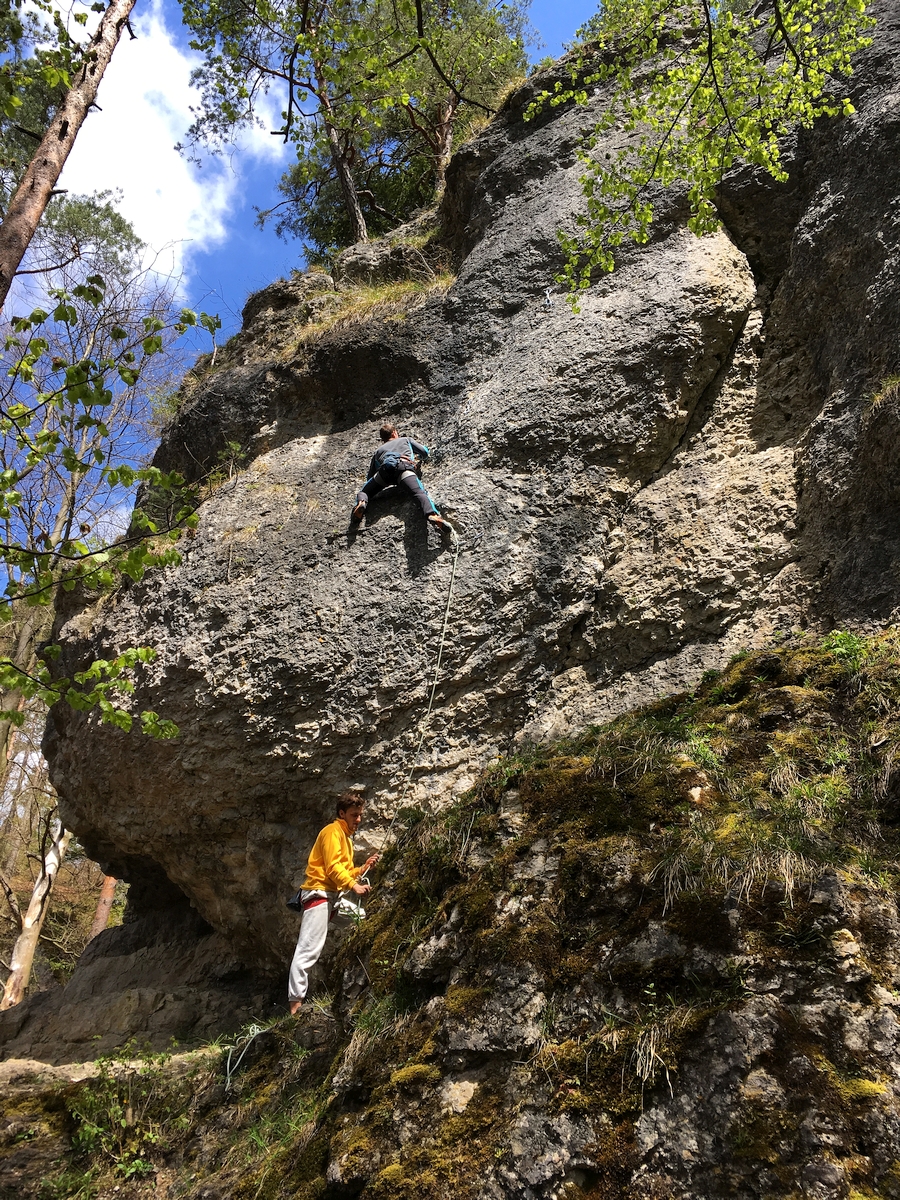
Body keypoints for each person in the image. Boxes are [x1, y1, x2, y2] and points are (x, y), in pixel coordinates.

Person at [287, 793, 379, 1015]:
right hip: (319, 896)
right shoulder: (331, 832)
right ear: (342, 814)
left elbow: (344, 871)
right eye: (354, 815)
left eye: (360, 815)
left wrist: (362, 868)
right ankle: (295, 1006)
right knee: (308, 950)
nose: (358, 820)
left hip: (332, 898)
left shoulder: (345, 838)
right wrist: (353, 885)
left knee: (363, 918)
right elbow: (332, 868)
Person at [351, 424, 453, 535]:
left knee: (364, 491)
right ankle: (432, 515)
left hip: (384, 473)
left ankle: (361, 503)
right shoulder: (405, 440)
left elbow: (370, 477)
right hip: (403, 469)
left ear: (383, 438)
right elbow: (424, 452)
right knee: (419, 493)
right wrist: (422, 458)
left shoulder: (378, 451)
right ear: (394, 433)